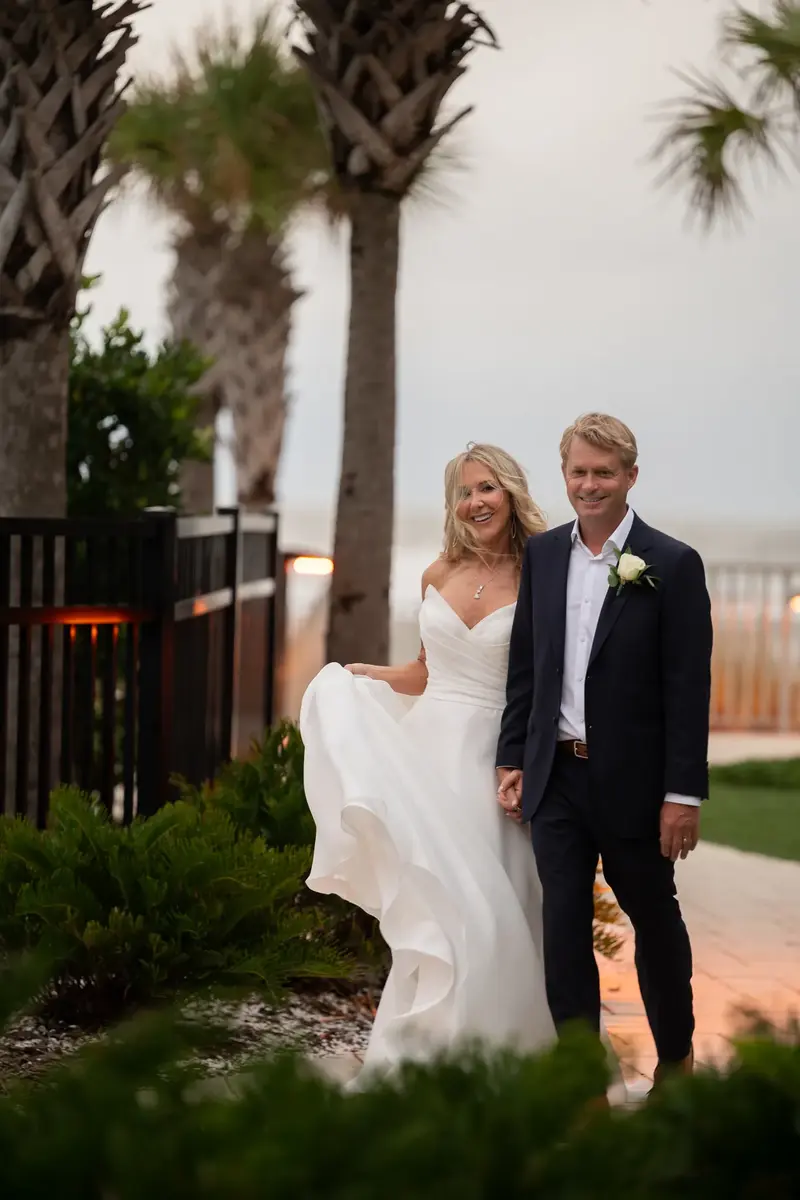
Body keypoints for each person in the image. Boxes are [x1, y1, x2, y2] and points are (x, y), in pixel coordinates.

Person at [299, 444, 557, 1075]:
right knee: (434, 912)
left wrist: (528, 759)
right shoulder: (437, 574)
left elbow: (549, 678)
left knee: (498, 909)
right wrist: (365, 677)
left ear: (512, 493)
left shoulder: (543, 573)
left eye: (488, 487)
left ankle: (504, 1055)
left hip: (496, 760)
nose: (476, 502)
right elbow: (424, 670)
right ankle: (420, 1055)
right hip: (428, 757)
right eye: (465, 491)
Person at [496, 413, 712, 1090]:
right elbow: (526, 667)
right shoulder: (544, 554)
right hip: (556, 776)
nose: (590, 486)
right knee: (562, 928)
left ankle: (676, 1059)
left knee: (654, 920)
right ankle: (582, 1080)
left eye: (604, 473)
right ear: (564, 475)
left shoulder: (672, 564)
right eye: (579, 472)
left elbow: (688, 687)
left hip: (636, 787)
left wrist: (682, 795)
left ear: (630, 477)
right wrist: (511, 757)